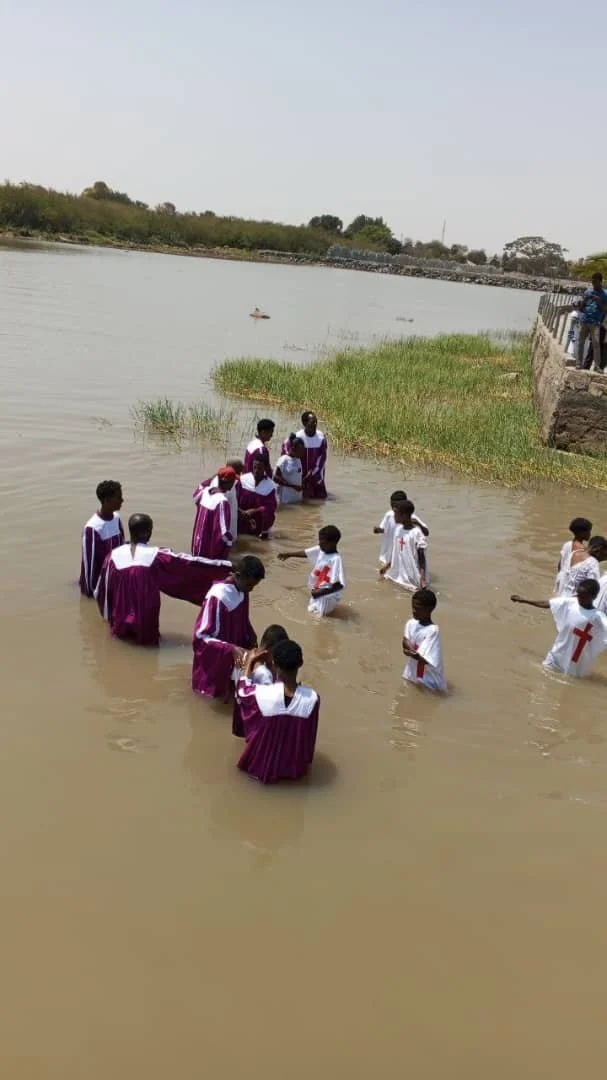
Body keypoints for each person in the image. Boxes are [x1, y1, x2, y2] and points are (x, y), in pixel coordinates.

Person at [96, 514, 231, 646]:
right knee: (149, 657)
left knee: (121, 651)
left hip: (119, 625)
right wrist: (226, 567)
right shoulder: (156, 556)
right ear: (148, 532)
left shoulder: (112, 557)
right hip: (146, 626)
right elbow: (189, 564)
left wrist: (108, 618)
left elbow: (101, 591)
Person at [235, 639, 320, 783]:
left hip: (260, 769)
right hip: (293, 771)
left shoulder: (263, 694)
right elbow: (309, 738)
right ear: (301, 664)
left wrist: (250, 661)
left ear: (274, 663)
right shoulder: (312, 698)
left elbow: (242, 691)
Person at [192, 555, 265, 701]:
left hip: (233, 657)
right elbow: (200, 638)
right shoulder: (217, 597)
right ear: (238, 576)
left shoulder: (242, 590)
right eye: (249, 585)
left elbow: (243, 619)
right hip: (217, 661)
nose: (250, 590)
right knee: (212, 700)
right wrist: (231, 649)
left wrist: (250, 634)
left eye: (254, 586)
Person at [511, 578, 607, 677]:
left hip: (574, 662)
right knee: (542, 676)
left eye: (583, 596)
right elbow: (547, 603)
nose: (579, 598)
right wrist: (524, 600)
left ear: (594, 597)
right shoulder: (571, 603)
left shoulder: (598, 617)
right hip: (556, 654)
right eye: (578, 594)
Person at [232, 624, 289, 736]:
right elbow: (269, 706)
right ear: (271, 650)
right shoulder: (265, 675)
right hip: (254, 723)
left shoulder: (245, 655)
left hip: (239, 711)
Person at [278, 524, 345, 616]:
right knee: (311, 615)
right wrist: (289, 555)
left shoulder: (336, 560)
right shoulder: (322, 550)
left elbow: (339, 585)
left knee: (317, 620)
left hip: (326, 598)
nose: (319, 543)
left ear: (331, 543)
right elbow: (306, 553)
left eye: (322, 540)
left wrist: (319, 593)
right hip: (317, 593)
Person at [79, 480, 124, 597]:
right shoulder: (93, 528)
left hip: (114, 581)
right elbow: (89, 565)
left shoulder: (116, 519)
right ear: (107, 500)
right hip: (101, 587)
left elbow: (122, 549)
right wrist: (90, 595)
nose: (122, 500)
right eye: (118, 497)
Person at [402, 588, 446, 691]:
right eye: (413, 607)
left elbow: (426, 659)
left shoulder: (433, 630)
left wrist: (411, 652)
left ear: (429, 609)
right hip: (411, 675)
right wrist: (407, 647)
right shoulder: (410, 623)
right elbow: (405, 639)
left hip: (430, 682)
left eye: (417, 608)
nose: (413, 610)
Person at [380, 500, 428, 590]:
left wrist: (422, 578)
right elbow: (396, 551)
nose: (394, 516)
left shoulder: (416, 533)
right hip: (398, 576)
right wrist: (387, 566)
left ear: (404, 516)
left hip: (412, 577)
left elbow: (422, 557)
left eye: (396, 514)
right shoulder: (398, 530)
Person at [374, 489, 429, 568]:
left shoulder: (412, 518)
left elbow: (426, 533)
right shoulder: (389, 515)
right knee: (382, 577)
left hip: (401, 560)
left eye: (395, 506)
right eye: (391, 506)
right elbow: (385, 529)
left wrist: (418, 523)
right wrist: (379, 530)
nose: (393, 509)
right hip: (386, 557)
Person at [191, 466, 237, 558]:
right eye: (233, 482)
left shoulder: (205, 493)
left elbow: (195, 495)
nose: (233, 484)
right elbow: (223, 533)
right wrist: (229, 546)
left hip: (196, 546)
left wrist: (213, 478)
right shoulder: (222, 501)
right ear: (228, 483)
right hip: (208, 552)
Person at [288, 411, 328, 499]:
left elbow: (322, 458)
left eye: (316, 422)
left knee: (319, 499)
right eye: (312, 422)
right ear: (304, 423)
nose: (315, 424)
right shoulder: (298, 437)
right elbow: (290, 456)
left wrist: (313, 472)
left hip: (316, 474)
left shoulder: (321, 438)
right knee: (300, 499)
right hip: (300, 475)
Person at [237, 455, 277, 538]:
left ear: (265, 468)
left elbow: (270, 508)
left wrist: (253, 511)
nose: (256, 471)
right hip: (241, 520)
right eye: (254, 467)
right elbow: (235, 500)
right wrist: (242, 512)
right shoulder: (243, 480)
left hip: (260, 525)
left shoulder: (270, 486)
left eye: (259, 468)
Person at [577, 272, 607, 372]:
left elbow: (605, 309)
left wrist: (599, 301)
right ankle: (578, 364)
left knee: (596, 345)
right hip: (584, 321)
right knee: (580, 342)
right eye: (592, 282)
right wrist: (584, 301)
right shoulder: (587, 292)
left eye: (595, 282)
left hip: (596, 323)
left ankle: (597, 366)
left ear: (600, 282)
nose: (593, 284)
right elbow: (580, 308)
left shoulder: (605, 294)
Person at [554, 516, 592, 595]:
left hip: (561, 579)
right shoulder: (583, 551)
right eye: (588, 531)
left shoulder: (567, 544)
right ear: (581, 533)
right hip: (570, 584)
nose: (590, 534)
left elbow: (560, 565)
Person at [274, 436, 305, 505]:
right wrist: (293, 486)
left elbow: (297, 477)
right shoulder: (283, 460)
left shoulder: (298, 460)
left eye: (303, 451)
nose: (302, 453)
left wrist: (303, 483)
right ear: (293, 449)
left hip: (297, 500)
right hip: (285, 501)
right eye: (300, 451)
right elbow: (275, 478)